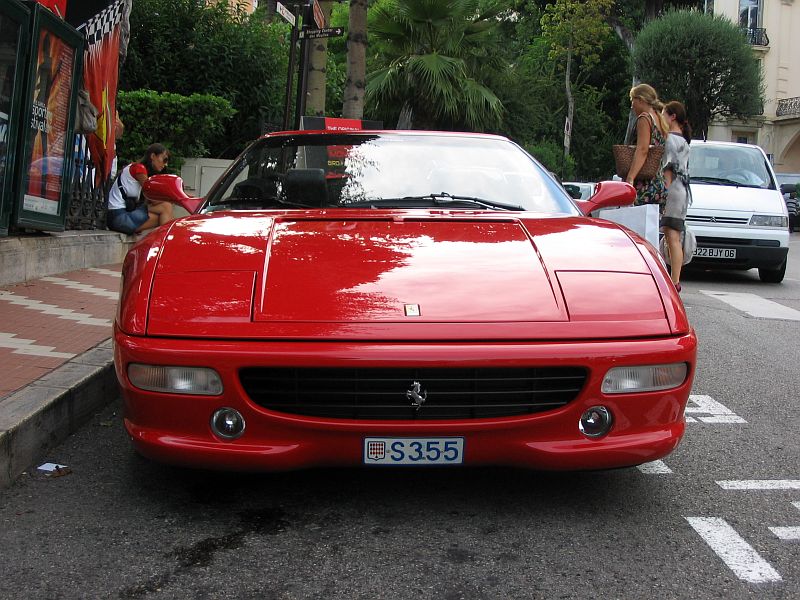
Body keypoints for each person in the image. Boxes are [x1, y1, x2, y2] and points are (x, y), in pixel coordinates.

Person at [107, 143, 174, 235]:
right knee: (166, 206)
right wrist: (172, 198)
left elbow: (148, 201)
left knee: (164, 214)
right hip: (118, 217)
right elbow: (152, 199)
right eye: (164, 160)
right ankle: (164, 244)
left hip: (117, 216)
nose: (165, 164)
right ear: (153, 156)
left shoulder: (137, 167)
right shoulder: (139, 169)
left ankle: (163, 243)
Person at [661, 100, 692, 291]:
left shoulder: (670, 140)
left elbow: (668, 168)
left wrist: (663, 191)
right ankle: (675, 280)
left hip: (672, 190)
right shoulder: (684, 141)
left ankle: (674, 281)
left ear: (672, 117)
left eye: (665, 113)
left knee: (671, 235)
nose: (662, 117)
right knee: (673, 234)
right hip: (683, 191)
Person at [626, 84, 669, 206]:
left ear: (640, 100)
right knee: (653, 224)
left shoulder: (644, 118)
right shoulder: (659, 119)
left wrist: (630, 177)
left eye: (632, 100)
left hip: (645, 184)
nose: (632, 105)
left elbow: (642, 149)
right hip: (659, 182)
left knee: (635, 223)